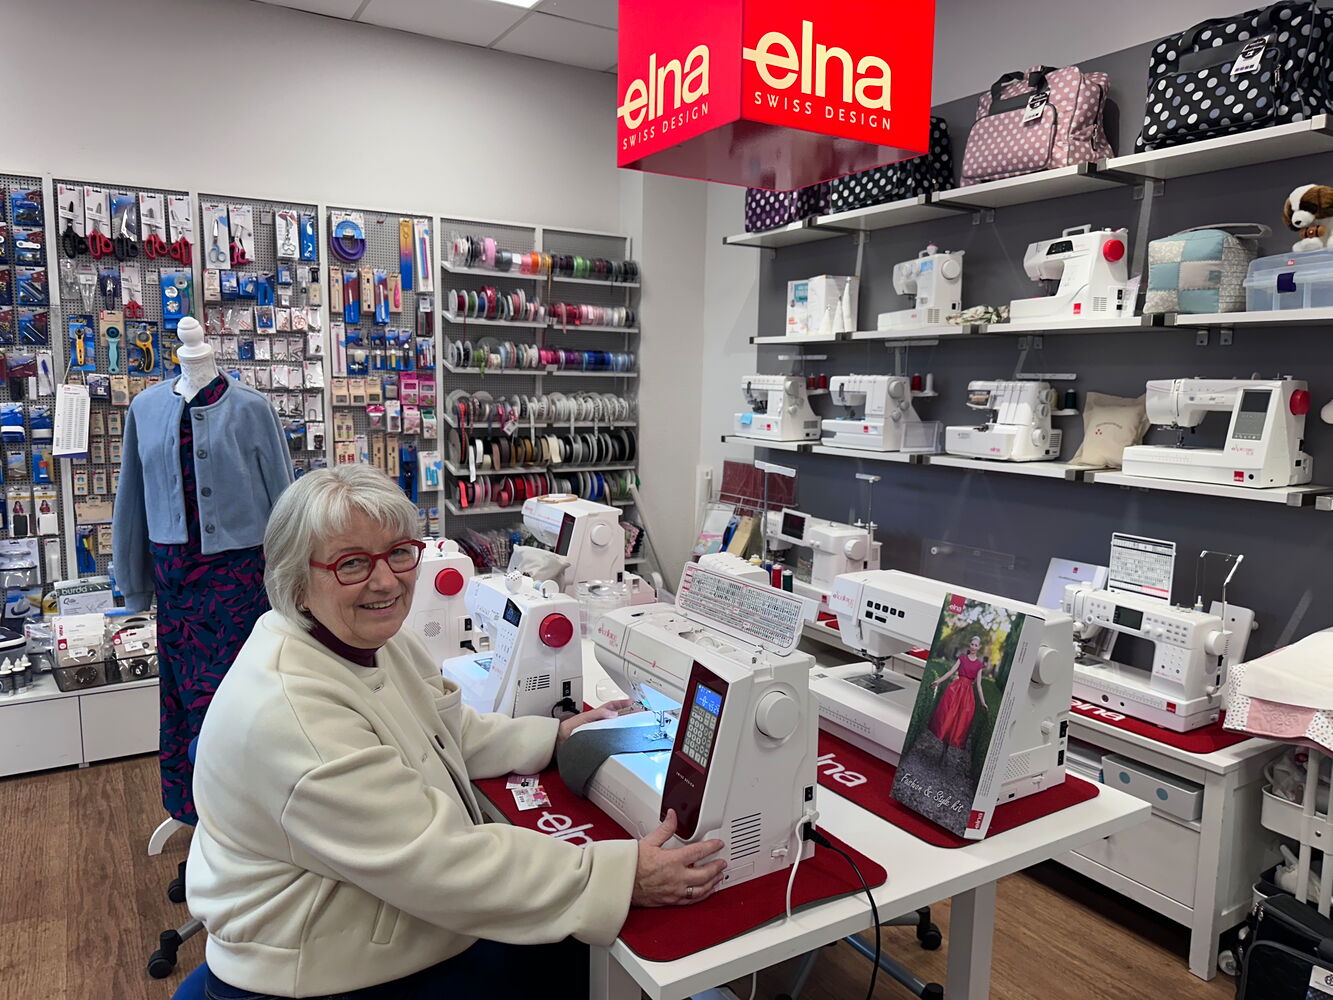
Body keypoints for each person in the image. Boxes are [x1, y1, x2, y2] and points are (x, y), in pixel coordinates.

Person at [187, 465, 726, 1000]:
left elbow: (446, 730)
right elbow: (440, 861)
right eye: (352, 564)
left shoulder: (362, 640)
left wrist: (551, 739)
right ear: (297, 580)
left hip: (367, 915)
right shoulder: (295, 714)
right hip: (324, 969)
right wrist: (620, 876)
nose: (386, 581)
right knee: (584, 965)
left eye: (400, 552)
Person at [927, 635, 990, 749]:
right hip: (955, 690)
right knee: (948, 714)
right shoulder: (962, 658)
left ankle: (948, 745)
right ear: (969, 645)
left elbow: (979, 685)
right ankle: (943, 741)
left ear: (979, 647)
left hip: (967, 694)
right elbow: (951, 671)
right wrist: (938, 681)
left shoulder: (979, 665)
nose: (974, 647)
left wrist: (983, 702)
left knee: (961, 719)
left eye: (976, 645)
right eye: (972, 644)